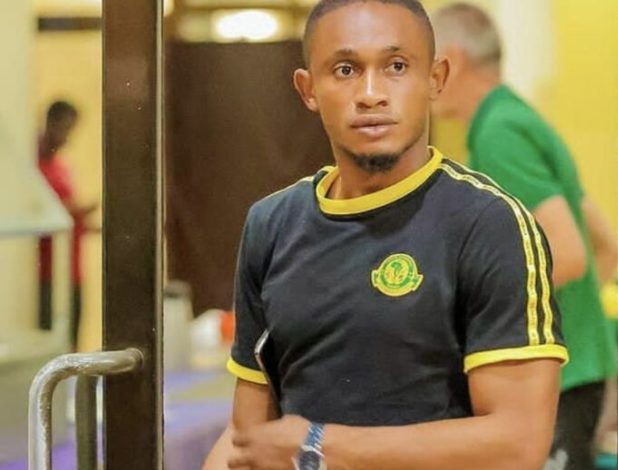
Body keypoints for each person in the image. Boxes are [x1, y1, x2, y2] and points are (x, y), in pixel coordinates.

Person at [203, 1, 569, 469]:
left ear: (435, 78)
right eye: (345, 70)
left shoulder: (489, 225)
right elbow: (247, 438)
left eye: (396, 66)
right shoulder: (271, 224)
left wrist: (318, 446)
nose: (371, 93)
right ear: (308, 89)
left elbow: (517, 446)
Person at [430, 4, 618, 469]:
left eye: (420, 64)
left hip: (554, 378)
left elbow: (569, 255)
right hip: (579, 370)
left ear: (452, 60)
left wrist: (476, 312)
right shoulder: (518, 118)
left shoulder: (499, 135)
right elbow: (604, 244)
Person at [38, 100, 97, 349]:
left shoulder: (61, 167)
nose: (67, 137)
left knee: (73, 342)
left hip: (73, 269)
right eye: (65, 128)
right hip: (49, 272)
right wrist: (90, 205)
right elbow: (53, 211)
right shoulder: (35, 167)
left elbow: (72, 218)